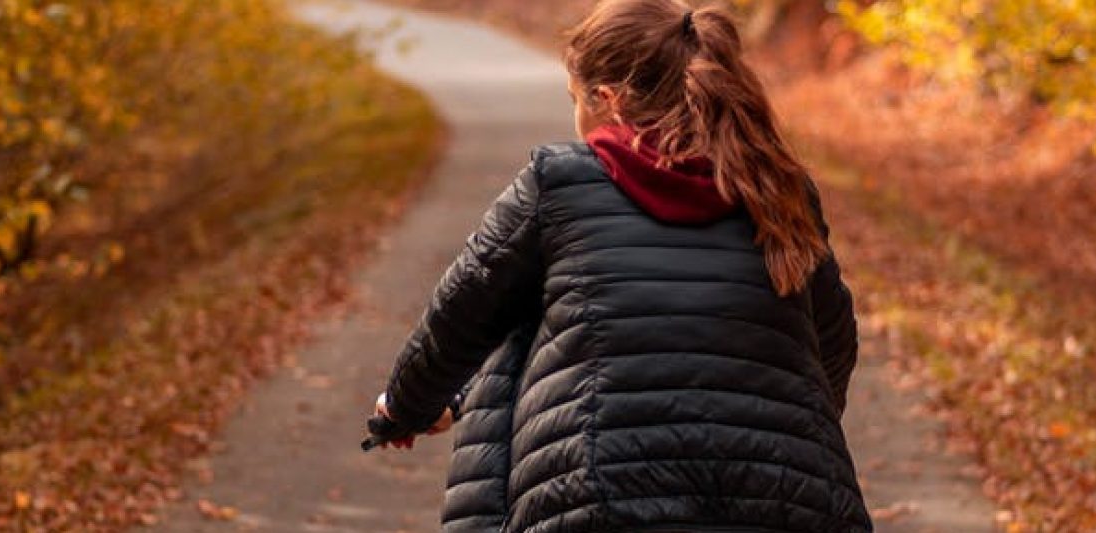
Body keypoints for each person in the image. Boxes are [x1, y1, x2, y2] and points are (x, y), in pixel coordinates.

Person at [369, 0, 870, 531]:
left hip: (600, 496)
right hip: (789, 499)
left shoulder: (559, 184)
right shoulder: (776, 189)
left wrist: (404, 408)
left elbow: (460, 315)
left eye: (574, 100)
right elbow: (831, 343)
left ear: (608, 100)